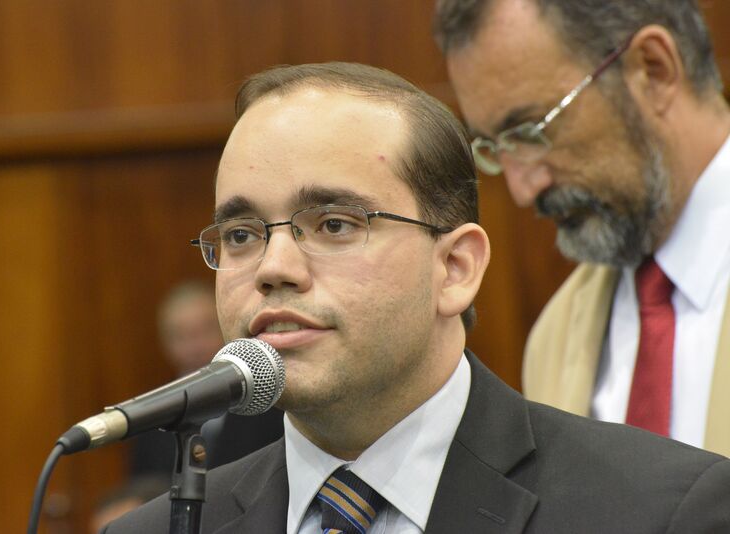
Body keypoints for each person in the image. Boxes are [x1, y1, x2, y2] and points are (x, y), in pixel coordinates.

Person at [103, 62, 730, 533]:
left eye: (334, 225)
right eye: (241, 235)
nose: (273, 268)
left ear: (455, 268)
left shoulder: (657, 511)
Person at [435, 0, 730, 455]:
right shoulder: (555, 337)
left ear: (653, 69)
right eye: (496, 147)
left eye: (531, 131)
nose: (522, 190)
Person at [130, 280, 283, 476]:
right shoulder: (152, 417)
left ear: (224, 328)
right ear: (165, 343)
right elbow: (144, 485)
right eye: (181, 336)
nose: (195, 347)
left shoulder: (266, 402)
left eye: (205, 331)